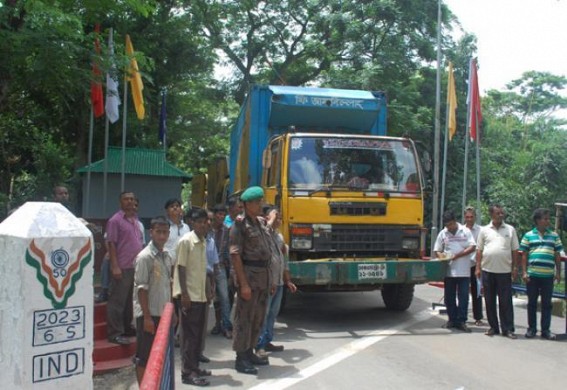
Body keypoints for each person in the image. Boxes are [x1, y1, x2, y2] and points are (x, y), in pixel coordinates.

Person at [229, 186, 272, 375]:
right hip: (249, 276)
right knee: (244, 319)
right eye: (256, 202)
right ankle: (241, 358)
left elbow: (267, 254)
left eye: (261, 200)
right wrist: (243, 283)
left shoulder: (260, 223)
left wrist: (270, 281)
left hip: (263, 277)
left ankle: (250, 350)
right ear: (246, 204)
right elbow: (235, 255)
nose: (260, 204)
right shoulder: (240, 225)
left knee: (258, 318)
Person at [173, 208, 211, 386]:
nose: (204, 225)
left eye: (205, 222)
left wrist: (207, 291)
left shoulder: (203, 242)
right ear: (192, 223)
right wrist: (184, 294)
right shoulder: (186, 241)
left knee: (198, 336)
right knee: (188, 336)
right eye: (200, 222)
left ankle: (195, 367)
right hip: (189, 296)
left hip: (201, 295)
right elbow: (181, 267)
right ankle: (188, 373)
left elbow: (202, 271)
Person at [133, 216, 173, 384]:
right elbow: (141, 289)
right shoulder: (145, 257)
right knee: (144, 355)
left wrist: (172, 312)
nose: (162, 236)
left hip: (163, 314)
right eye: (158, 232)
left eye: (165, 232)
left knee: (159, 354)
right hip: (148, 314)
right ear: (151, 233)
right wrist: (147, 317)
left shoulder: (167, 255)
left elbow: (168, 285)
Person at [256, 206, 297, 357]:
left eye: (279, 218)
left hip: (278, 282)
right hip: (268, 282)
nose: (278, 220)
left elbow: (283, 261)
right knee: (263, 313)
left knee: (273, 314)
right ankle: (259, 345)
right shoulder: (263, 233)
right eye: (275, 217)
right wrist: (270, 220)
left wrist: (288, 280)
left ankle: (267, 340)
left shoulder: (279, 237)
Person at [475, 204, 520, 339]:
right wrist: (478, 267)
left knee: (505, 301)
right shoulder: (484, 230)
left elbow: (515, 250)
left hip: (505, 271)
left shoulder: (510, 230)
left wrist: (515, 268)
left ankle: (508, 329)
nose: (501, 215)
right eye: (498, 213)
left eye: (502, 213)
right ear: (491, 215)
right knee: (489, 300)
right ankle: (493, 327)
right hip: (488, 270)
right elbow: (479, 250)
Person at [105, 191, 144, 345]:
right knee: (117, 301)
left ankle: (127, 327)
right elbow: (111, 243)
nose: (130, 202)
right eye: (126, 199)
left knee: (129, 300)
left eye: (132, 199)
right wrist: (115, 266)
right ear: (120, 202)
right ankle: (115, 333)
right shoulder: (115, 221)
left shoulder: (134, 220)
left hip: (134, 266)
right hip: (121, 266)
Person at [519, 208, 563, 340]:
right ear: (538, 220)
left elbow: (557, 255)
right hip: (532, 275)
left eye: (548, 219)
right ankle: (531, 329)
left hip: (548, 276)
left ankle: (545, 330)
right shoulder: (528, 235)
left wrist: (558, 272)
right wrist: (524, 272)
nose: (548, 221)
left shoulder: (554, 236)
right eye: (545, 219)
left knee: (546, 304)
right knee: (532, 303)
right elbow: (524, 255)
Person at [434, 211, 476, 332]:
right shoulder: (443, 233)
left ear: (455, 220)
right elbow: (437, 249)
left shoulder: (465, 231)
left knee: (463, 297)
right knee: (449, 297)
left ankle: (462, 321)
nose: (450, 227)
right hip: (449, 271)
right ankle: (452, 319)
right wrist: (441, 256)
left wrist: (457, 255)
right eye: (447, 225)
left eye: (451, 224)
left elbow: (472, 246)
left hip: (463, 271)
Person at [210, 204, 233, 339]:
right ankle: (217, 324)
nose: (221, 217)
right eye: (219, 214)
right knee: (213, 298)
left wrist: (231, 270)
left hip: (221, 267)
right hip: (207, 268)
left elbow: (229, 251)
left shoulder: (227, 230)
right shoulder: (207, 230)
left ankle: (226, 326)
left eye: (223, 215)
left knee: (224, 297)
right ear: (214, 215)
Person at [199, 210, 219, 364]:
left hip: (206, 279)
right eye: (206, 220)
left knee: (203, 318)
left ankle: (199, 351)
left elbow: (214, 264)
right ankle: (190, 356)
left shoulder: (211, 241)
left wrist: (213, 285)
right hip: (194, 280)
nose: (208, 224)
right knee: (191, 319)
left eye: (210, 221)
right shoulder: (188, 241)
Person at [463, 206, 484, 326]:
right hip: (464, 264)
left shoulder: (481, 230)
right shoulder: (461, 230)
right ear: (464, 217)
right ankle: (462, 316)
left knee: (477, 292)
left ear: (475, 217)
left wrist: (479, 265)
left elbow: (481, 247)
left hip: (476, 264)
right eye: (467, 217)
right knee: (463, 292)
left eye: (471, 217)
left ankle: (478, 317)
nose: (469, 219)